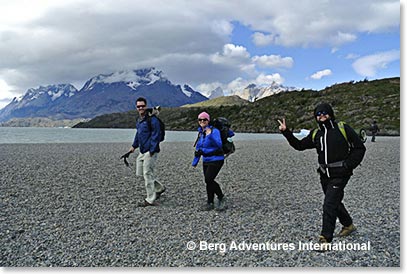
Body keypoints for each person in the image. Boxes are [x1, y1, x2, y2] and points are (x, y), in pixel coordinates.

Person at [278, 103, 366, 251]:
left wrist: (348, 165)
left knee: (329, 204)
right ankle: (348, 225)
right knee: (334, 202)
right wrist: (286, 132)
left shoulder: (342, 128)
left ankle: (325, 238)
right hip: (324, 175)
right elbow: (299, 145)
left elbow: (359, 148)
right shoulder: (316, 134)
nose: (321, 116)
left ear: (330, 114)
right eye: (318, 114)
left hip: (341, 175)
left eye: (324, 113)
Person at [127, 97, 166, 207]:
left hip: (150, 151)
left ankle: (150, 199)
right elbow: (138, 134)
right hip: (142, 151)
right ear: (136, 107)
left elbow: (156, 135)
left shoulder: (152, 120)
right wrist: (134, 146)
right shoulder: (139, 120)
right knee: (140, 173)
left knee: (147, 173)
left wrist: (152, 150)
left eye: (142, 106)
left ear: (146, 105)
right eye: (138, 106)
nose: (140, 108)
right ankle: (159, 188)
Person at [192, 112, 227, 211]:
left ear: (208, 120)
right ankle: (210, 202)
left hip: (217, 159)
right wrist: (195, 162)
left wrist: (210, 135)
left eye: (204, 119)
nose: (202, 121)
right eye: (200, 120)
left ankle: (221, 197)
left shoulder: (214, 131)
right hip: (206, 159)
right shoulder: (201, 133)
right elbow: (199, 148)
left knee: (209, 179)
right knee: (208, 181)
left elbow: (219, 144)